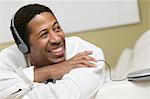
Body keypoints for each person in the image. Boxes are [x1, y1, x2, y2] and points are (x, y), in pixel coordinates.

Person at [0, 4, 105, 99]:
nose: (57, 39)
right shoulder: (8, 58)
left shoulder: (86, 52)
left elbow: (67, 95)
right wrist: (46, 72)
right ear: (24, 47)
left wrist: (17, 91)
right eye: (44, 34)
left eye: (57, 29)